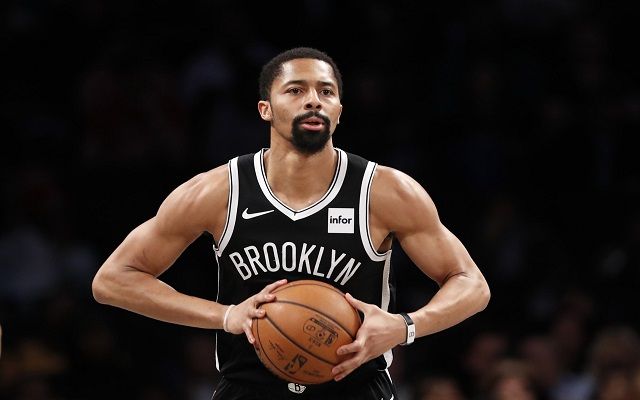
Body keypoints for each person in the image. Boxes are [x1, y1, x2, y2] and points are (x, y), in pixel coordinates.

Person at [92, 46, 491, 399]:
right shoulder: (219, 192)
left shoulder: (384, 192)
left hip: (355, 389)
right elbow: (112, 280)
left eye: (326, 92)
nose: (313, 100)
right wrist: (225, 315)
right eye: (296, 90)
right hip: (248, 389)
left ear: (339, 111)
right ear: (265, 108)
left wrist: (403, 326)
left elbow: (472, 284)